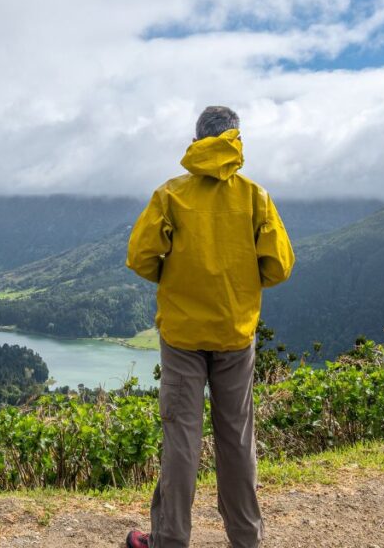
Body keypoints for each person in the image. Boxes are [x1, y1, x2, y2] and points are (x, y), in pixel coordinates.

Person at [124, 106, 295, 548]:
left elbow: (140, 257)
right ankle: (246, 538)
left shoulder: (171, 194)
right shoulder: (254, 196)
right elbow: (279, 267)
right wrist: (239, 283)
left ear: (196, 139)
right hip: (235, 334)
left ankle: (170, 539)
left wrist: (177, 279)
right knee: (236, 438)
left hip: (181, 334)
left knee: (181, 436)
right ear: (237, 139)